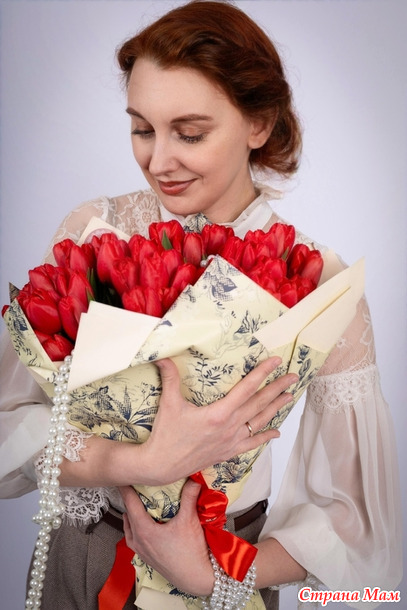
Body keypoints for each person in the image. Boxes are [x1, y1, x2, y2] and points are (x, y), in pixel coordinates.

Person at [0, 1, 402, 609]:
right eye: (142, 129)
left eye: (189, 134)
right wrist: (141, 460)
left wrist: (213, 576)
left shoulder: (319, 283)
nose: (158, 161)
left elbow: (357, 528)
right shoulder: (94, 233)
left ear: (259, 123)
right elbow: (9, 423)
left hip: (219, 570)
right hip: (78, 560)